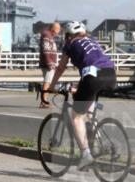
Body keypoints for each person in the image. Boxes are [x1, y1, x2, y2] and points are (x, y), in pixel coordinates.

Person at [48, 21, 116, 168]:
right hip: (110, 73)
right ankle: (101, 145)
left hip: (93, 77)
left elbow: (60, 68)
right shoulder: (92, 40)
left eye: (67, 35)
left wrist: (52, 86)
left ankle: (86, 154)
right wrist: (78, 89)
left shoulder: (70, 44)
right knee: (89, 114)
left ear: (69, 35)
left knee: (76, 116)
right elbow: (90, 66)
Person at [38, 22, 60, 108]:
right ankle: (44, 102)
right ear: (53, 29)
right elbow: (46, 50)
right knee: (47, 82)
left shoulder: (49, 35)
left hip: (48, 63)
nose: (58, 33)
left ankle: (44, 101)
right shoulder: (47, 35)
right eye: (57, 30)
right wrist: (50, 63)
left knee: (47, 82)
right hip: (48, 64)